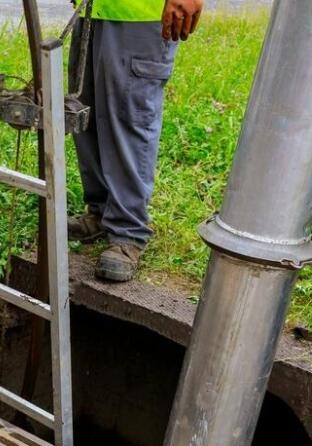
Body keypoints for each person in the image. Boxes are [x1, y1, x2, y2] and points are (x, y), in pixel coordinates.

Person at [67, 0, 203, 281]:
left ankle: (128, 231)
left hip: (140, 14)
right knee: (86, 111)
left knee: (129, 118)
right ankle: (102, 211)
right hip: (96, 10)